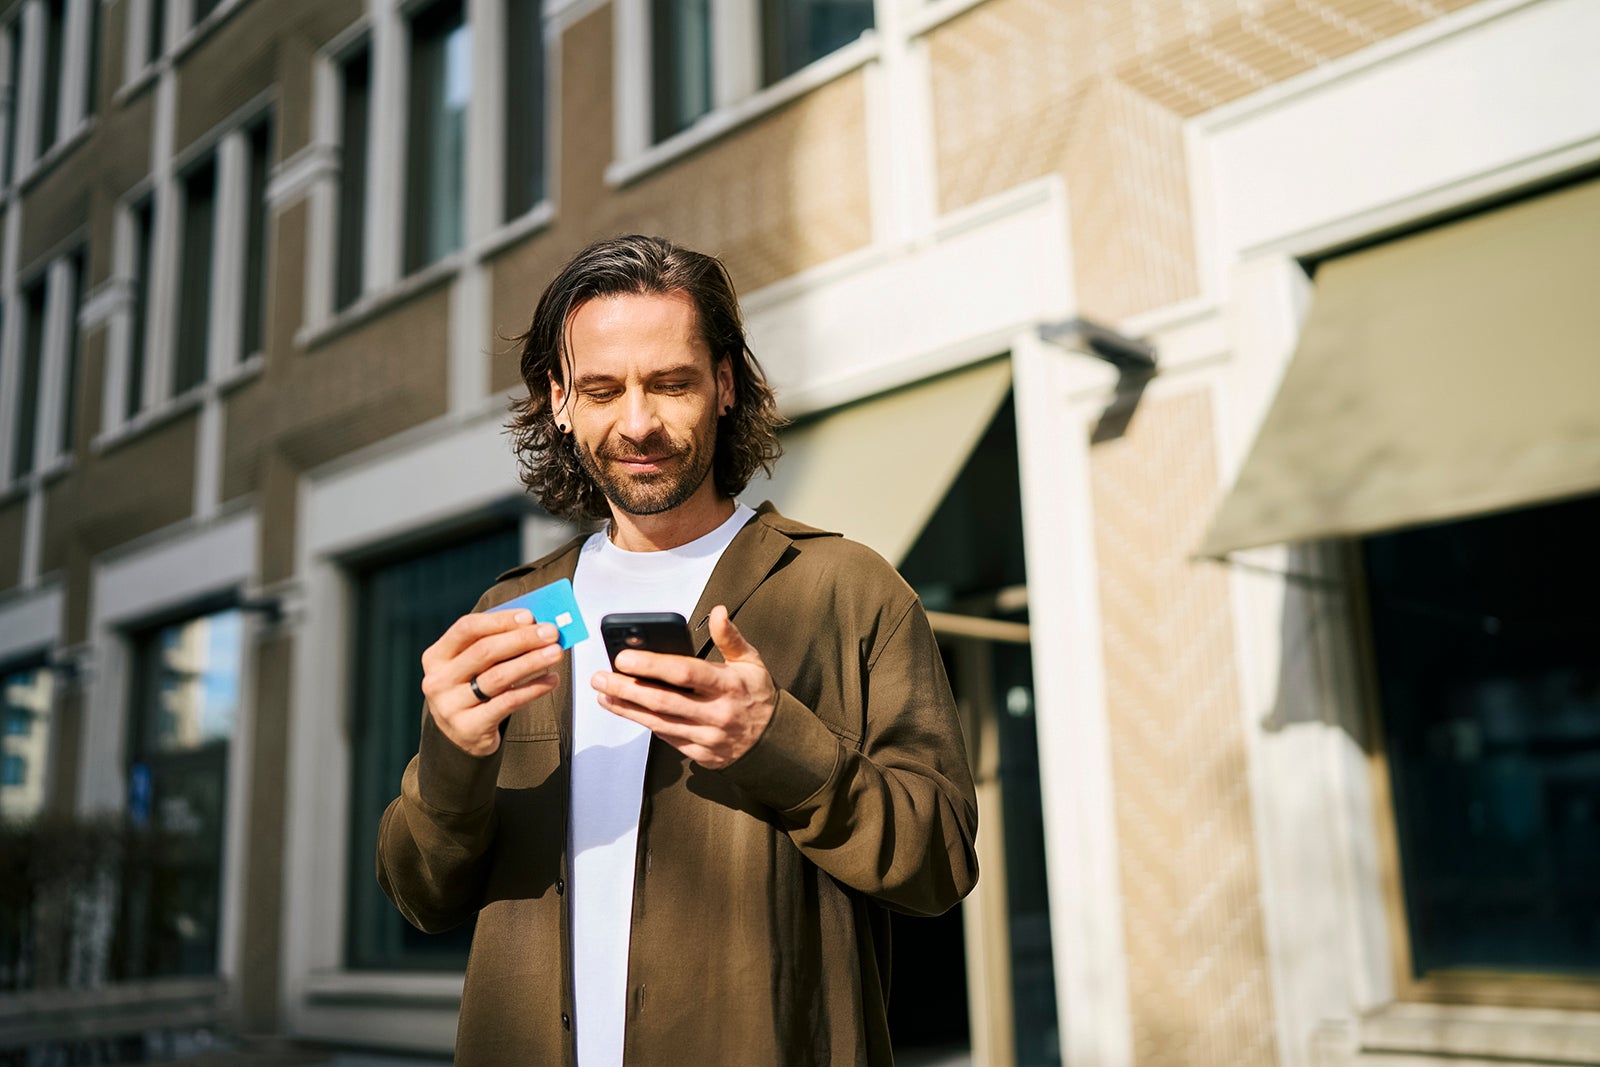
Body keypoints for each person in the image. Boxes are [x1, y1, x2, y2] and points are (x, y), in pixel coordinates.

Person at [377, 235, 979, 1066]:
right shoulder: (511, 615)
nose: (637, 422)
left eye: (670, 383)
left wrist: (775, 745)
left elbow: (940, 859)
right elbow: (420, 895)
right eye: (601, 389)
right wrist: (453, 752)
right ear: (559, 400)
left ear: (724, 385)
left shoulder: (848, 589)